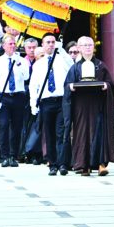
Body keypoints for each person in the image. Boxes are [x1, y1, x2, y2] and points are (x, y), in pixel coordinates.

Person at [63, 36, 114, 177]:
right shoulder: (75, 68)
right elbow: (67, 86)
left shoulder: (101, 65)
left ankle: (101, 164)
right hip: (80, 107)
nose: (88, 47)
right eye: (85, 45)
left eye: (90, 45)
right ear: (79, 48)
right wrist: (70, 87)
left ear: (94, 47)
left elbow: (111, 85)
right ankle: (84, 165)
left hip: (97, 106)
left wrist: (106, 86)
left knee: (99, 133)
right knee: (82, 134)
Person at [28, 34, 74, 176]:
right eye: (48, 42)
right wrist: (33, 103)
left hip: (61, 101)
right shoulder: (38, 64)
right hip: (46, 101)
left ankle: (63, 164)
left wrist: (62, 49)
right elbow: (33, 84)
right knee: (49, 134)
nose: (51, 44)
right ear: (42, 44)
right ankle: (52, 164)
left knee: (62, 133)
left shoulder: (62, 59)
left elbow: (72, 65)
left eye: (53, 42)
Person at [0, 34, 30, 168]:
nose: (12, 46)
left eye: (14, 44)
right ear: (3, 46)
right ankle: (5, 156)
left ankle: (13, 155)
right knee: (4, 125)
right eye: (10, 44)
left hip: (18, 96)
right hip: (3, 96)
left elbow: (26, 76)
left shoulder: (21, 60)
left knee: (17, 127)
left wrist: (19, 63)